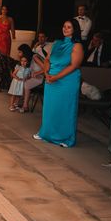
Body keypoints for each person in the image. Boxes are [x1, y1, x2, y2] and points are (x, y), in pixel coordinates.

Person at [33, 19, 83, 147]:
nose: (65, 29)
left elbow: (74, 66)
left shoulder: (77, 46)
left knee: (65, 108)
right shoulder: (57, 43)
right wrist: (46, 73)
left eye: (69, 27)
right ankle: (46, 133)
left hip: (67, 81)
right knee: (50, 108)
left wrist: (55, 77)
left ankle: (65, 138)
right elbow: (47, 60)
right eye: (64, 26)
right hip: (51, 78)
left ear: (74, 30)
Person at [21, 44, 46, 113]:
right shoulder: (29, 58)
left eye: (20, 52)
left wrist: (37, 73)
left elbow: (46, 68)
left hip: (41, 77)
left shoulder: (35, 57)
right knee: (21, 80)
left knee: (27, 84)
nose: (19, 54)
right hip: (34, 76)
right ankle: (23, 100)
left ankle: (25, 106)